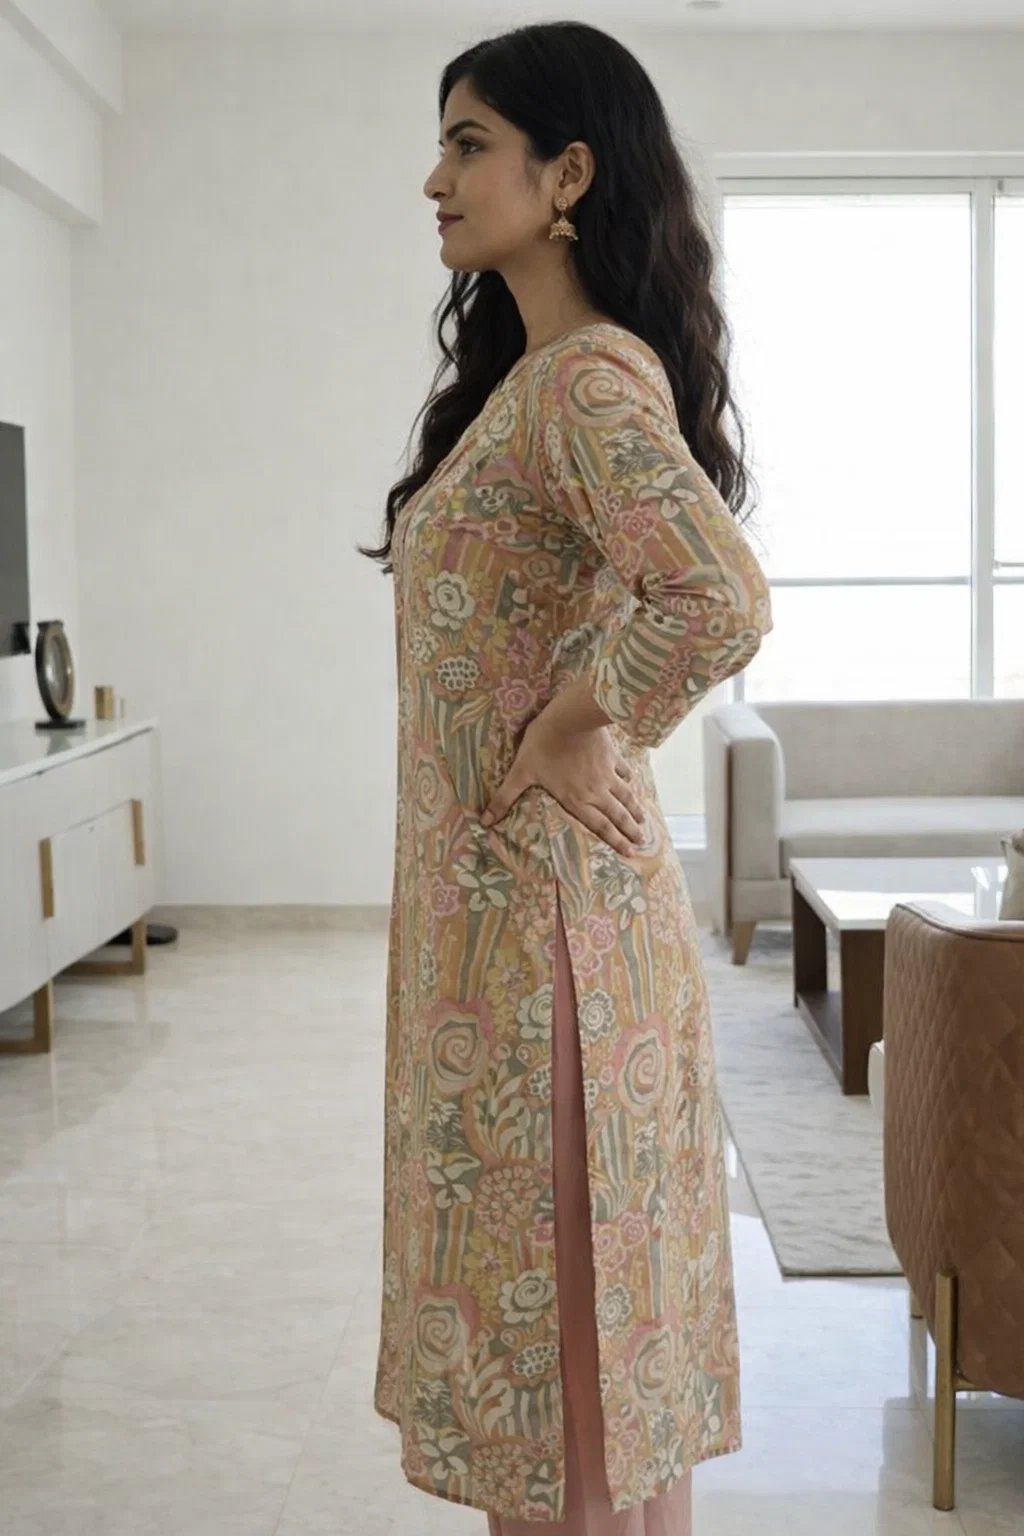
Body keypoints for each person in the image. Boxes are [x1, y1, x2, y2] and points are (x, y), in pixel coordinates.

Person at [359, 20, 773, 1533]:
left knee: (564, 1379)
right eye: (444, 143)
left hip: (550, 953)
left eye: (469, 144)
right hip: (504, 936)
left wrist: (574, 723)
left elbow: (718, 597)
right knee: (543, 1363)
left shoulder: (586, 382)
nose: (436, 179)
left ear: (570, 174)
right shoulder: (529, 386)